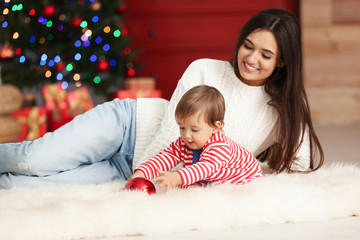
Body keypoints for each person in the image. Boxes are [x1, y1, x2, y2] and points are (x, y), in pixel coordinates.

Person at [0, 8, 324, 189]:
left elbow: (301, 166)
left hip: (133, 169)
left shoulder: (285, 107)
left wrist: (250, 170)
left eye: (266, 55)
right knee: (33, 160)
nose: (251, 58)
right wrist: (147, 182)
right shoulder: (205, 70)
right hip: (128, 126)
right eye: (248, 45)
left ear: (282, 61)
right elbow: (172, 135)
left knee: (20, 188)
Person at [130, 85, 263, 190]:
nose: (186, 135)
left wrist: (177, 177)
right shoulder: (184, 143)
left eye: (194, 129)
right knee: (195, 185)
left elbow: (204, 168)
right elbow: (165, 157)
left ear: (215, 127)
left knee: (224, 193)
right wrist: (142, 173)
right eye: (182, 127)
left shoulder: (220, 147)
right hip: (209, 177)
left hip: (243, 178)